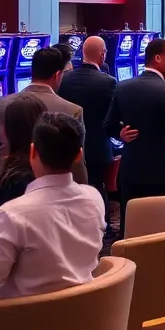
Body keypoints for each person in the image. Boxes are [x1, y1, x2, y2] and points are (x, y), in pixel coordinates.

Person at [0, 111, 104, 303]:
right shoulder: (94, 198)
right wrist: (3, 239)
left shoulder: (11, 216)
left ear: (32, 152)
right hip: (84, 321)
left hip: (25, 328)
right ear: (78, 155)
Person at [0, 47, 84, 212]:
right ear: (58, 75)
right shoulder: (72, 110)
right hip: (53, 200)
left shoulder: (0, 104)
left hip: (6, 193)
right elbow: (76, 165)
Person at [104, 37, 165, 236]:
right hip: (161, 174)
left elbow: (108, 126)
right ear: (157, 58)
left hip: (130, 172)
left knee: (130, 230)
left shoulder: (123, 86)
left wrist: (120, 134)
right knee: (161, 233)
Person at [57, 35, 119, 204]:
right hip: (98, 147)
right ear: (102, 54)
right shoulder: (109, 82)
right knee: (97, 192)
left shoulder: (65, 79)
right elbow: (113, 116)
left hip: (67, 146)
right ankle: (100, 228)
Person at [0, 95, 47, 217]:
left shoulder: (15, 180)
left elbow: (3, 231)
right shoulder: (45, 166)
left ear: (13, 130)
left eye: (4, 123)